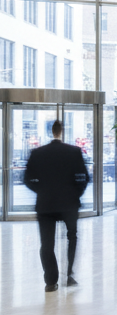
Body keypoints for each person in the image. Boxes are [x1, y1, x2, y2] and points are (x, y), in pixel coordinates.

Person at [23, 120, 90, 292]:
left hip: (45, 204)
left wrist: (41, 191)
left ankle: (50, 281)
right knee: (72, 237)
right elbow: (85, 177)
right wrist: (76, 194)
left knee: (46, 244)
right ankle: (68, 274)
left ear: (51, 131)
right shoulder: (74, 152)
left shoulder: (37, 153)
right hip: (69, 203)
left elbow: (27, 179)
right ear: (62, 131)